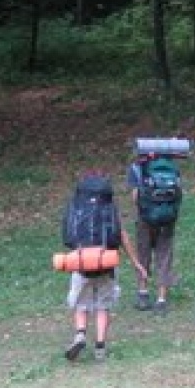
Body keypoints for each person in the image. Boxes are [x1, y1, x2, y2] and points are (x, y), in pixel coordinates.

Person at [62, 173, 147, 362]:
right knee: (103, 306)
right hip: (106, 262)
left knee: (80, 305)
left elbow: (68, 236)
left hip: (81, 262)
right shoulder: (109, 209)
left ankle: (80, 334)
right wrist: (136, 263)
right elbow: (122, 235)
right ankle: (100, 347)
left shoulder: (76, 208)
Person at [128, 154, 180, 313]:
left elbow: (134, 196)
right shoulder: (172, 167)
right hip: (168, 218)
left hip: (145, 218)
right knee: (164, 255)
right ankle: (161, 299)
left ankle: (143, 294)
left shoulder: (137, 167)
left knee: (143, 253)